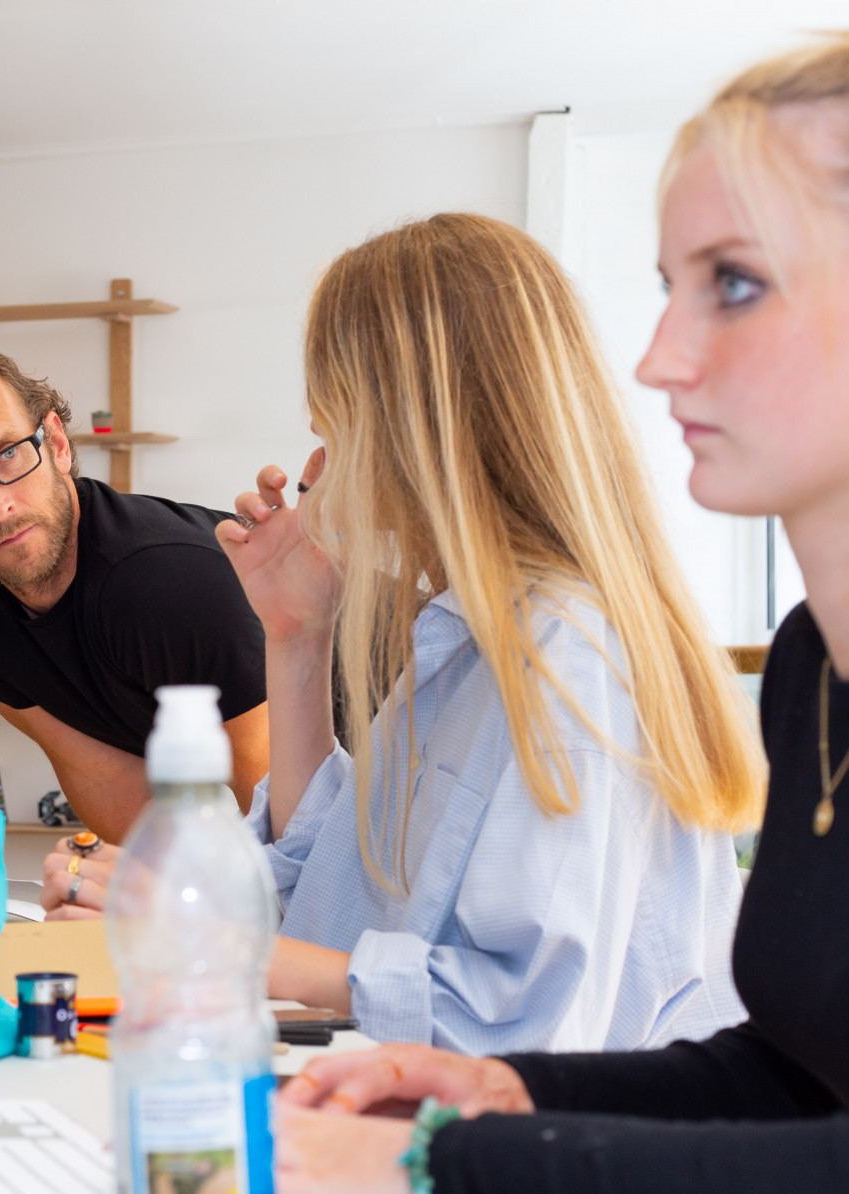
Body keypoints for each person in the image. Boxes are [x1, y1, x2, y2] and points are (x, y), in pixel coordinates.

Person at [271, 14, 849, 1194]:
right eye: (669, 291)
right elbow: (800, 1077)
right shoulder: (818, 665)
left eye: (736, 285)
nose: (657, 361)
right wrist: (506, 1090)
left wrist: (445, 1163)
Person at [51, 213, 764, 1057]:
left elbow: (520, 1020)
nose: (319, 457)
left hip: (565, 1124)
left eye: (333, 422)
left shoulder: (567, 659)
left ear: (411, 430)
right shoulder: (464, 637)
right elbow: (336, 884)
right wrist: (297, 633)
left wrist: (215, 937)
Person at [0, 341, 268, 844]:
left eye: (7, 454)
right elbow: (97, 770)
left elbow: (284, 805)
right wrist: (153, 879)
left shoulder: (168, 581)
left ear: (56, 444)